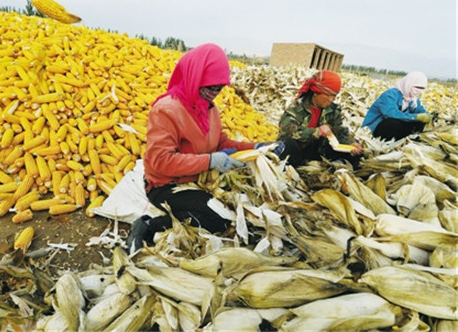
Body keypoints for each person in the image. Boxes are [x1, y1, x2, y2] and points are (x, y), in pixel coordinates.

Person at [126, 43, 270, 252]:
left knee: (244, 210)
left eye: (219, 88)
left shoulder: (209, 109)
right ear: (195, 77)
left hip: (200, 178)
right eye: (210, 87)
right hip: (166, 185)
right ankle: (148, 225)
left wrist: (255, 148)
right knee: (219, 220)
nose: (215, 93)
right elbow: (161, 161)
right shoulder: (166, 110)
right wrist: (210, 161)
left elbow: (222, 143)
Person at [276, 70, 363, 169]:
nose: (331, 99)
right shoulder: (297, 107)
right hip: (299, 150)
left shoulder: (332, 110)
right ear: (316, 92)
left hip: (319, 151)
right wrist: (317, 132)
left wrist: (351, 143)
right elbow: (287, 130)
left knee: (356, 155)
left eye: (334, 95)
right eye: (327, 95)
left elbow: (340, 131)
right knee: (289, 144)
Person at [361, 71, 432, 141]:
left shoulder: (413, 100)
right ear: (409, 84)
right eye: (417, 87)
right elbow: (391, 114)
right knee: (393, 123)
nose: (420, 91)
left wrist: (428, 116)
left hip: (397, 127)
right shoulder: (390, 95)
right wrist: (415, 117)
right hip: (377, 127)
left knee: (419, 124)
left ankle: (404, 141)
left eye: (422, 88)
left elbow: (420, 110)